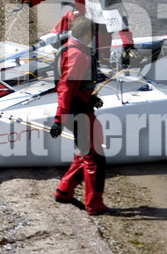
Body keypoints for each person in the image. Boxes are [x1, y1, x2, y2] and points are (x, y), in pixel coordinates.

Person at [49, 15, 108, 215]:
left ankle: (64, 190)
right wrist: (58, 120)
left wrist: (90, 98)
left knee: (88, 151)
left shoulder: (71, 47)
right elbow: (66, 88)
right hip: (77, 114)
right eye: (93, 33)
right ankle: (94, 205)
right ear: (87, 33)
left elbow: (74, 87)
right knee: (94, 158)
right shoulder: (77, 55)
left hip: (81, 109)